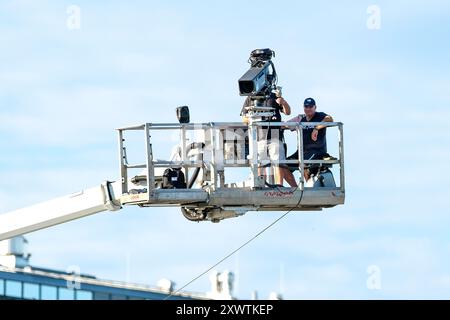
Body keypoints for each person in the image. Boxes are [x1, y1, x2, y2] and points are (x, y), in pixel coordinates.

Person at [241, 92, 298, 187]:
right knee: (260, 163)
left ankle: (279, 185)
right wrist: (258, 118)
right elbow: (244, 118)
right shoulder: (250, 98)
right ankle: (260, 185)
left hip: (275, 135)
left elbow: (288, 112)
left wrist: (283, 102)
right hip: (259, 136)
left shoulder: (274, 95)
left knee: (278, 161)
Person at [287, 97, 334, 181]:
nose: (308, 109)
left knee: (304, 163)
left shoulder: (319, 115)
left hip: (316, 151)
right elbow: (285, 125)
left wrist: (317, 128)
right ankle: (294, 189)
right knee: (283, 165)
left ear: (315, 107)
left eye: (310, 107)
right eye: (306, 107)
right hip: (301, 151)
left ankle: (309, 188)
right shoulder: (302, 119)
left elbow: (329, 119)